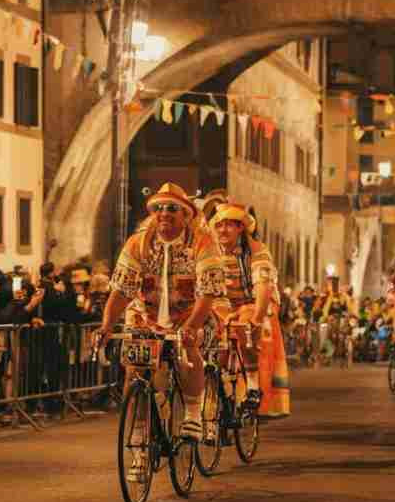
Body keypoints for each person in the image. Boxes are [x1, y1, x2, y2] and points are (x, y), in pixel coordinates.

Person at [95, 182, 225, 474]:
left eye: (172, 208)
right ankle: (140, 437)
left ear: (186, 214)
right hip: (145, 314)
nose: (164, 213)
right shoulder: (138, 243)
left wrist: (191, 326)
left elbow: (209, 291)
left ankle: (193, 409)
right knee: (134, 371)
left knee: (188, 349)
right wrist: (106, 325)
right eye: (158, 208)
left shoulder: (202, 241)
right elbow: (122, 290)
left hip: (189, 313)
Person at [208, 202, 289, 418]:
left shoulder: (257, 250)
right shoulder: (209, 250)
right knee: (210, 336)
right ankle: (218, 387)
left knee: (246, 328)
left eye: (228, 225)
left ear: (240, 228)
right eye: (219, 225)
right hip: (223, 302)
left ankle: (253, 385)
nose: (222, 230)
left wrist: (256, 317)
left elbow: (263, 286)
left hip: (252, 300)